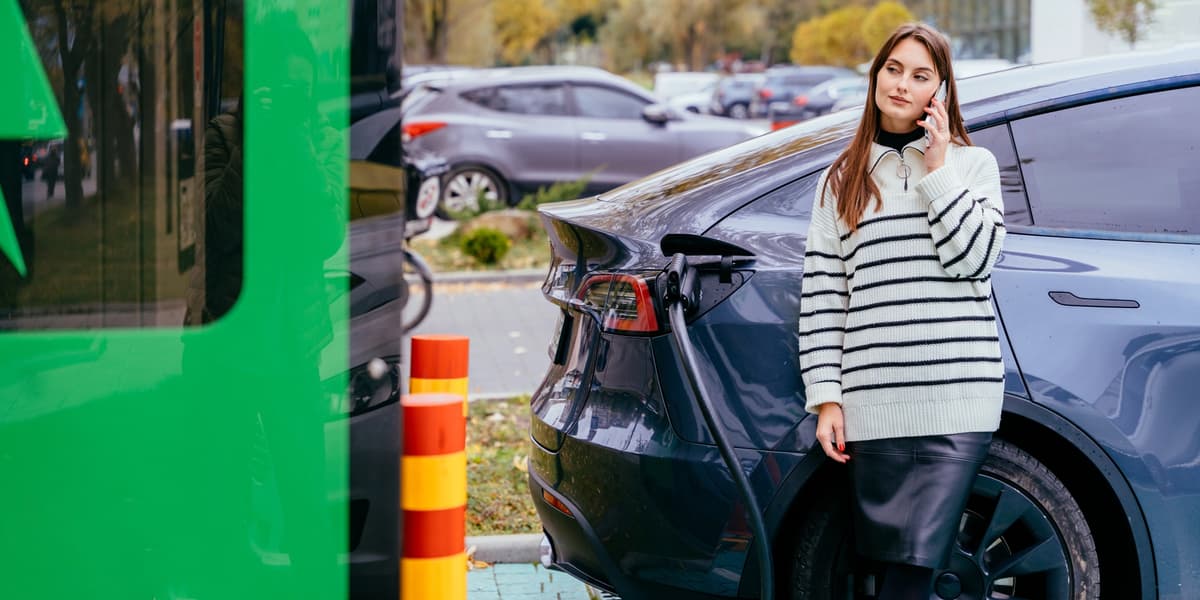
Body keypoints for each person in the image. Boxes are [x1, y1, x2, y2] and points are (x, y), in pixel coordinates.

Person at [797, 22, 1006, 599]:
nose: (902, 85)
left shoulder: (973, 165)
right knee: (886, 569)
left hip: (954, 398)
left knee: (914, 572)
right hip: (875, 401)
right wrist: (827, 397)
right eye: (893, 69)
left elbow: (976, 260)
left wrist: (938, 170)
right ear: (875, 75)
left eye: (920, 76)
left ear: (939, 91)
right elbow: (824, 294)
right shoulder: (840, 180)